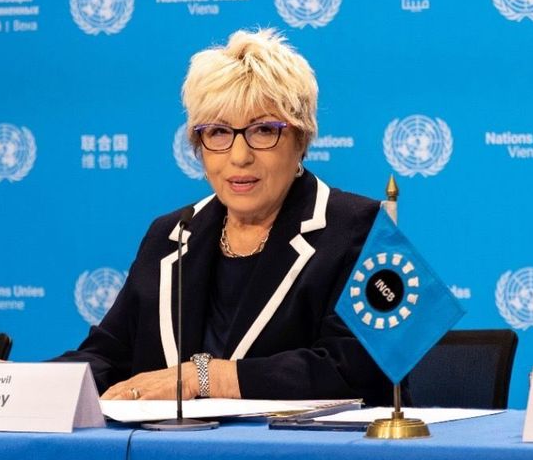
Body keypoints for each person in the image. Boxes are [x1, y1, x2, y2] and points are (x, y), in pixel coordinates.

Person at [58, 28, 390, 405]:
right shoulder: (171, 234)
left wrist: (203, 377)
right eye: (218, 132)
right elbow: (107, 355)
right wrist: (20, 384)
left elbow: (361, 372)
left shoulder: (360, 229)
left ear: (301, 139)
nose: (239, 156)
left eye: (263, 130)